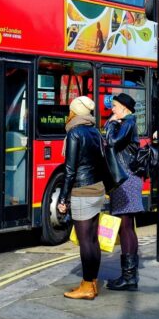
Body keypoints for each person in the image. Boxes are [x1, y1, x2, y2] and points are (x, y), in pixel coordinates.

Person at [56, 96, 106, 300]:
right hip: (97, 189)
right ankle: (92, 282)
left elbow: (70, 170)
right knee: (93, 240)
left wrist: (62, 198)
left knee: (85, 240)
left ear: (74, 112)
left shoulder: (75, 133)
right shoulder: (95, 131)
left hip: (82, 191)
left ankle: (87, 286)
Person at [104, 93, 142, 291]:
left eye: (115, 106)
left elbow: (112, 143)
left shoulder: (126, 123)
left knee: (125, 226)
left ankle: (129, 278)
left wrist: (110, 123)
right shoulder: (127, 122)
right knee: (127, 226)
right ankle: (130, 275)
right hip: (128, 177)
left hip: (125, 178)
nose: (112, 109)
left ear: (125, 108)